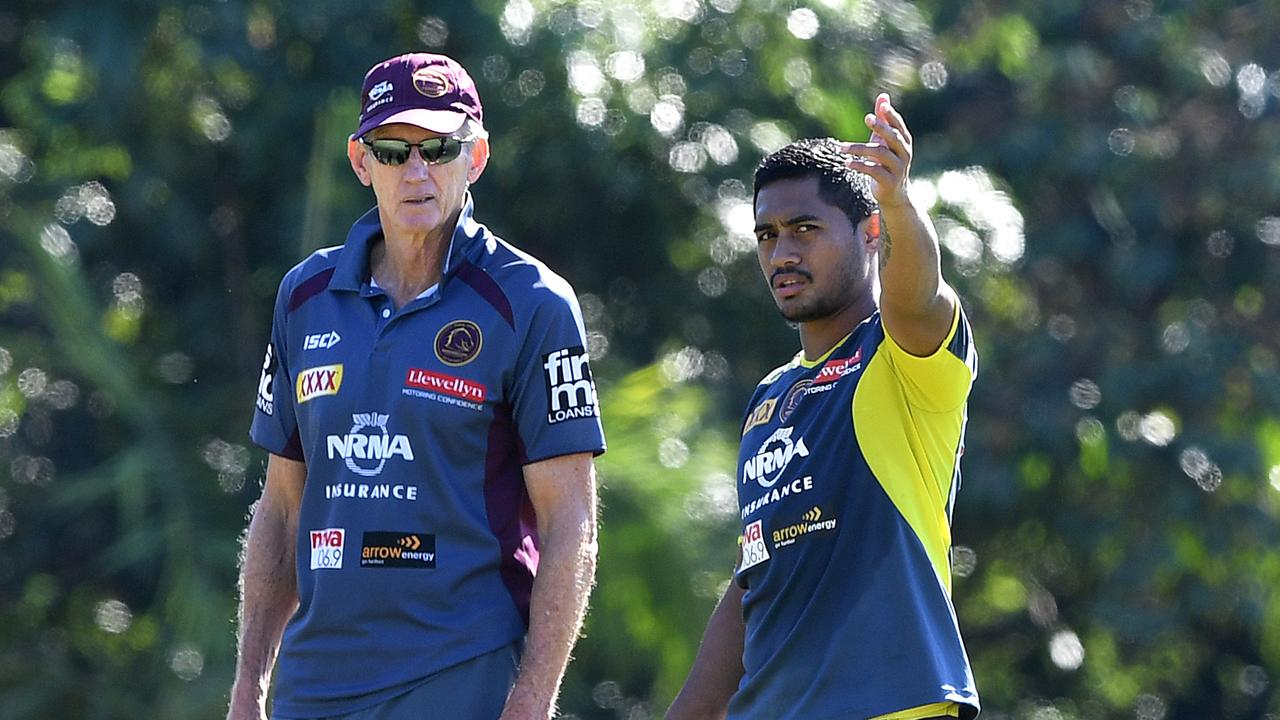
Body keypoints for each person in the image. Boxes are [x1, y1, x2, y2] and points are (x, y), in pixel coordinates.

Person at [227, 53, 605, 720]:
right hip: (315, 685)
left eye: (439, 147)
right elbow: (282, 510)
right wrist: (249, 684)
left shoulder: (533, 303)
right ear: (361, 160)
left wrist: (532, 699)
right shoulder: (303, 297)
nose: (417, 170)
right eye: (394, 150)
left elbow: (570, 521)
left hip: (461, 672)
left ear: (477, 156)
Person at [667, 94, 980, 720]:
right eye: (767, 235)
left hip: (893, 705)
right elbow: (753, 578)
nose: (782, 254)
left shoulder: (899, 357)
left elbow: (919, 298)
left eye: (805, 229)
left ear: (870, 234)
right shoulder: (768, 399)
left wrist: (896, 201)